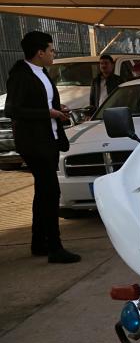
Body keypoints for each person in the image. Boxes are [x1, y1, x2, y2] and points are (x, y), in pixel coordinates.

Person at [4, 31, 80, 263]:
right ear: (40, 52)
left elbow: (42, 101)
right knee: (50, 192)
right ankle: (54, 247)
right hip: (35, 143)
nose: (53, 53)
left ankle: (39, 242)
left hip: (49, 138)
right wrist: (47, 113)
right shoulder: (20, 75)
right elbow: (13, 109)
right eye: (51, 49)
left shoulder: (42, 72)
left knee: (43, 193)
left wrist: (57, 108)